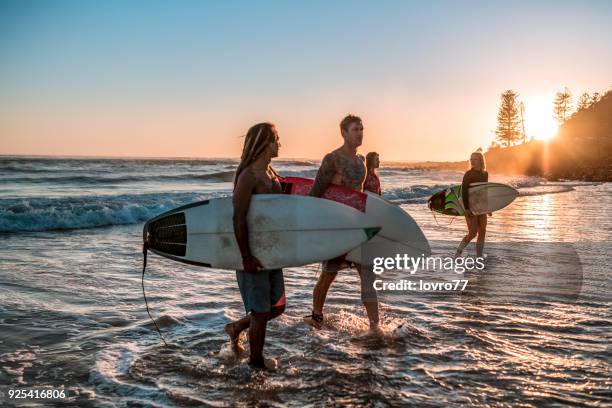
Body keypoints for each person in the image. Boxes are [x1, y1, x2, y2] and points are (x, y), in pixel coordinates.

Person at [304, 114, 381, 332]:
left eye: (362, 129)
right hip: (335, 228)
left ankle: (375, 326)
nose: (360, 133)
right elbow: (316, 193)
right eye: (355, 129)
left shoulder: (361, 162)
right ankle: (317, 317)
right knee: (328, 275)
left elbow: (361, 196)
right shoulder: (332, 159)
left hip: (356, 226)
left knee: (368, 272)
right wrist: (314, 227)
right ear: (344, 133)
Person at [224, 122, 285, 370]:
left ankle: (237, 327)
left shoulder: (271, 172)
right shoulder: (248, 176)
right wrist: (246, 256)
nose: (279, 144)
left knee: (277, 307)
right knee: (260, 312)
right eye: (276, 139)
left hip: (271, 252)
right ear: (263, 143)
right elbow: (238, 218)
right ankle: (256, 363)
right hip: (253, 254)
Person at [454, 150, 489, 258]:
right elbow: (464, 191)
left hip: (481, 206)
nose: (472, 161)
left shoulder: (485, 174)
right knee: (473, 233)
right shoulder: (469, 174)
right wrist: (467, 208)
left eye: (475, 159)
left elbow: (484, 191)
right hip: (470, 205)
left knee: (482, 231)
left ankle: (479, 255)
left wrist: (489, 207)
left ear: (481, 161)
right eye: (471, 159)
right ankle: (458, 253)